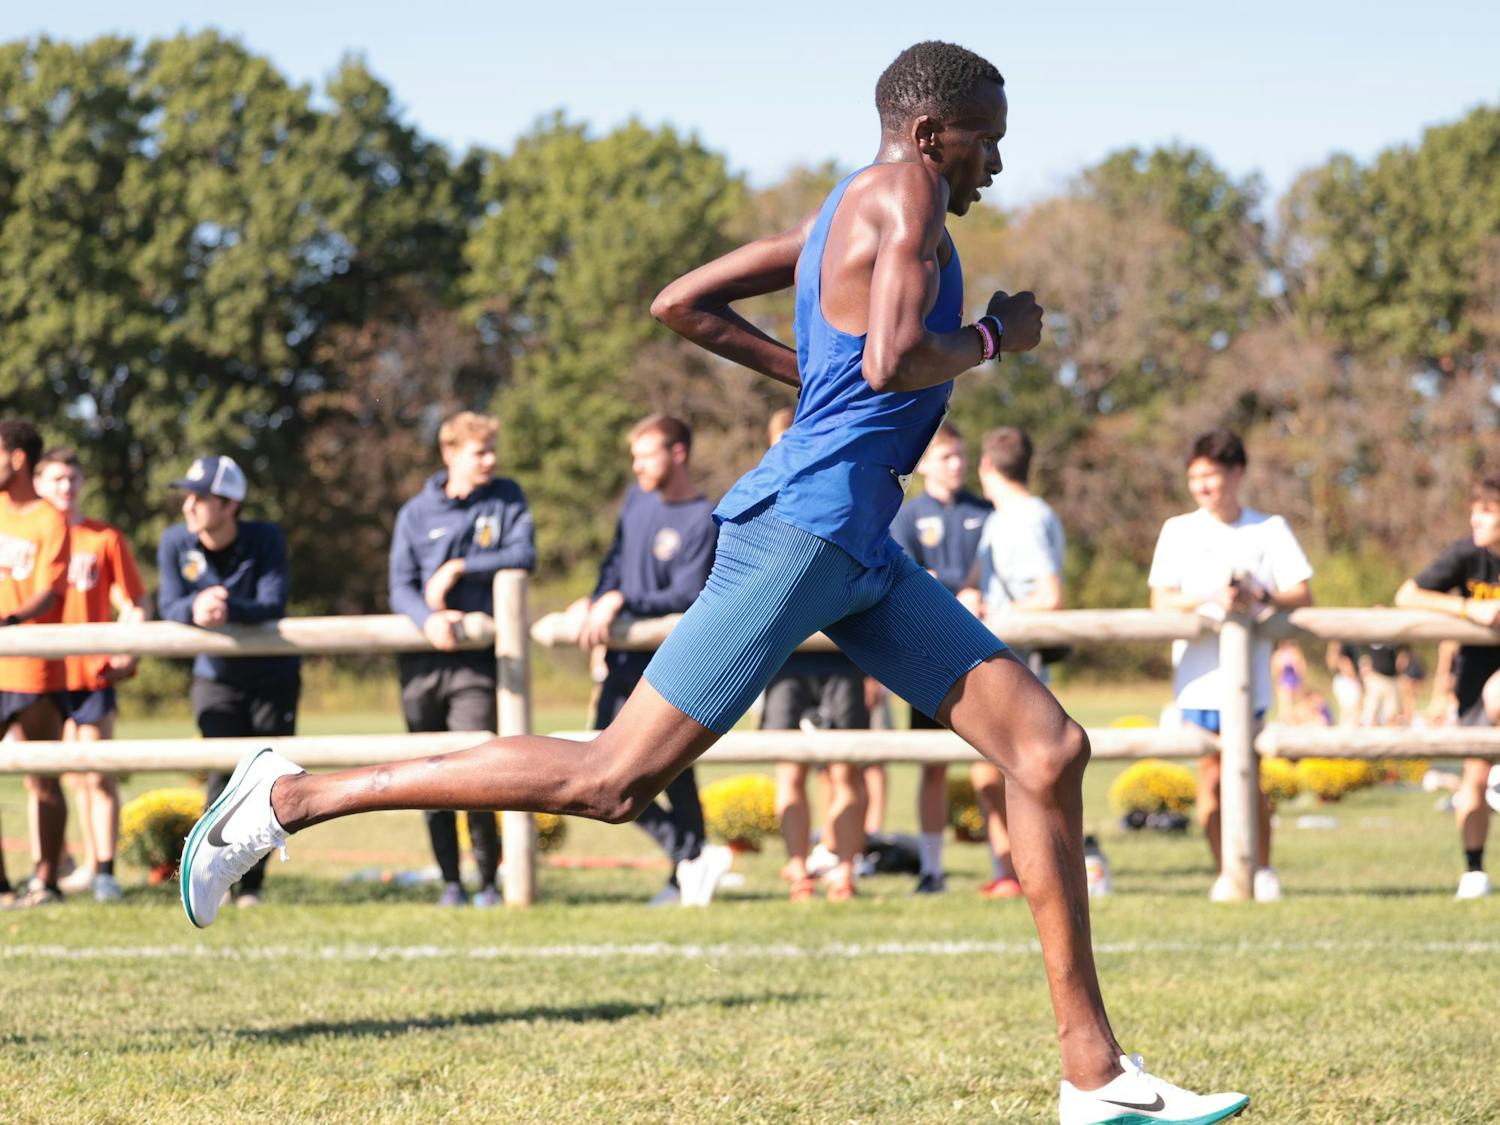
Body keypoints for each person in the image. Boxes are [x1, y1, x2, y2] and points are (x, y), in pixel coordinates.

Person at [182, 42, 1248, 1123]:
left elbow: (681, 302)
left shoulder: (845, 210)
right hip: (804, 533)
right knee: (610, 780)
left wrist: (815, 380)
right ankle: (287, 798)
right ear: (931, 134)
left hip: (859, 545)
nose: (996, 165)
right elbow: (890, 363)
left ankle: (1094, 1077)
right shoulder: (912, 194)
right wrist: (992, 336)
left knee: (1047, 747)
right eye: (986, 140)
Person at [1148, 428, 1313, 904]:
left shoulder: (1269, 528)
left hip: (1252, 681)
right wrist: (1211, 598)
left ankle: (1260, 868)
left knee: (1249, 775)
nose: (1203, 487)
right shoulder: (1178, 530)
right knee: (1212, 777)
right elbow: (1161, 600)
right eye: (1195, 477)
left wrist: (1259, 595)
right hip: (1197, 681)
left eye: (1212, 476)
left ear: (1237, 474)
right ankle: (1227, 870)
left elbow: (1302, 591)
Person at [574, 414, 730, 906]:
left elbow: (687, 592)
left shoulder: (704, 518)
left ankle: (685, 862)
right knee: (604, 755)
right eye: (634, 456)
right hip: (624, 661)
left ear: (678, 453)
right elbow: (613, 565)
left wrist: (623, 599)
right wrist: (597, 597)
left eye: (647, 455)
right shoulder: (635, 501)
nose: (637, 466)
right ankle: (690, 855)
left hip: (674, 661)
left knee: (669, 768)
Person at [389, 411, 535, 908]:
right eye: (480, 452)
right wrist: (424, 618)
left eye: (492, 450)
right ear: (450, 454)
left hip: (476, 663)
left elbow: (524, 554)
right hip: (421, 663)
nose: (490, 460)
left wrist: (459, 566)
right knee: (427, 775)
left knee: (476, 772)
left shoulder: (506, 498)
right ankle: (450, 881)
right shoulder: (415, 512)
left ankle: (489, 884)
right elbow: (399, 586)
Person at [159, 454, 300, 910]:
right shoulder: (175, 542)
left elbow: (273, 602)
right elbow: (168, 604)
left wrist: (228, 606)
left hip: (273, 678)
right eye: (188, 496)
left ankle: (253, 887)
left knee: (270, 782)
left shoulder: (265, 538)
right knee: (222, 776)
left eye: (199, 497)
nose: (188, 506)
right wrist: (195, 608)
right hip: (214, 676)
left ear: (229, 504)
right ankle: (209, 879)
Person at [761, 407, 870, 902]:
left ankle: (844, 870)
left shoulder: (847, 494)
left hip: (841, 660)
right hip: (785, 663)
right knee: (789, 770)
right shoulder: (762, 500)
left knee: (845, 770)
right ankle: (798, 869)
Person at [33, 448, 150, 903]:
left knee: (96, 771)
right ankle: (57, 866)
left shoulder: (103, 537)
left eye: (73, 478)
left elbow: (134, 602)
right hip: (37, 674)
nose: (66, 486)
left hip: (89, 673)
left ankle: (104, 869)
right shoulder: (24, 539)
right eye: (57, 478)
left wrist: (128, 645)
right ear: (39, 483)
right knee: (43, 776)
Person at [959, 426, 1067, 899]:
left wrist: (1000, 615)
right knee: (989, 770)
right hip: (1000, 662)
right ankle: (1010, 871)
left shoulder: (1024, 518)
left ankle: (1026, 872)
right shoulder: (1005, 518)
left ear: (986, 466)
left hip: (1019, 667)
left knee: (1016, 773)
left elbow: (1050, 595)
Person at [889, 421, 989, 893]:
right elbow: (907, 577)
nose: (957, 466)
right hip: (928, 655)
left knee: (993, 761)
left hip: (986, 654)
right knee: (932, 764)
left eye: (961, 457)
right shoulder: (906, 516)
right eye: (947, 457)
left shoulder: (986, 512)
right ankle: (932, 870)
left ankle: (1003, 867)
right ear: (925, 462)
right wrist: (958, 587)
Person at [1394, 473, 1500, 899]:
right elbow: (1407, 595)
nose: (1476, 519)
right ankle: (1474, 870)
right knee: (1474, 778)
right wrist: (1467, 608)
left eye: (1487, 512)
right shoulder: (1466, 555)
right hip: (1474, 686)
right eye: (1474, 511)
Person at [0, 419, 70, 909]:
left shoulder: (50, 519)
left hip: (34, 664)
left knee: (44, 778)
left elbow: (49, 592)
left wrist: (10, 619)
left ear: (17, 457)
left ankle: (46, 881)